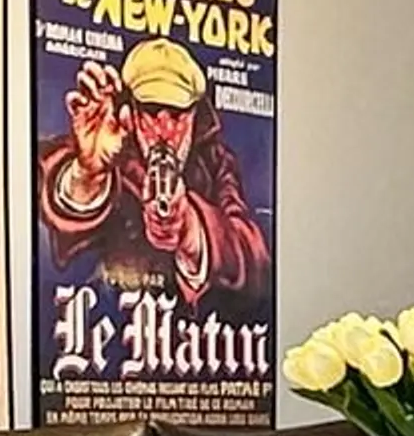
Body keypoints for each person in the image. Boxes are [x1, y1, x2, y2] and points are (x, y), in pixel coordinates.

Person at [37, 36, 268, 309]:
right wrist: (88, 174)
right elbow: (42, 190)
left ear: (195, 113)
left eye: (177, 114)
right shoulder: (110, 146)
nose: (164, 131)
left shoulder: (216, 163)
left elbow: (256, 259)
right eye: (151, 111)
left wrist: (191, 228)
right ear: (132, 112)